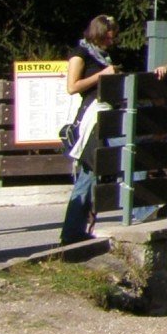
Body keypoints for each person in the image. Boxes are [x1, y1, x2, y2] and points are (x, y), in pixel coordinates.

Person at [61, 15, 119, 244]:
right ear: (100, 33)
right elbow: (72, 87)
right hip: (92, 118)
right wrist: (102, 75)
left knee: (91, 171)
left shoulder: (102, 54)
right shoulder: (80, 54)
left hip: (107, 114)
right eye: (109, 36)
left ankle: (72, 230)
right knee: (93, 168)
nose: (112, 40)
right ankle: (146, 208)